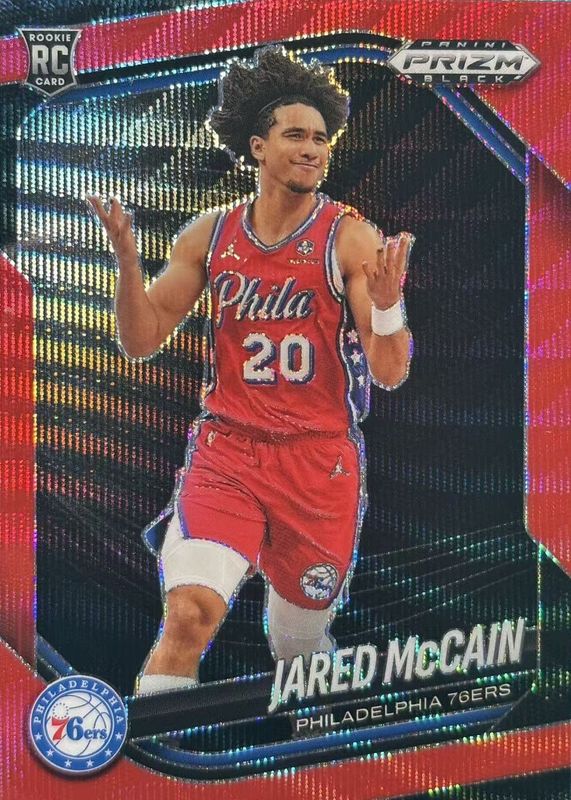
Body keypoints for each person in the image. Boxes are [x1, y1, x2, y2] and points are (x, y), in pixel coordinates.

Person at [88, 47, 414, 696]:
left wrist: (385, 309)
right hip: (228, 453)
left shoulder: (349, 238)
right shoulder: (210, 234)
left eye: (319, 138)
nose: (312, 149)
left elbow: (389, 372)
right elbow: (142, 339)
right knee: (188, 616)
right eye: (296, 135)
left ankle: (316, 728)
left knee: (296, 645)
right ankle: (152, 753)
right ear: (258, 147)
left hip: (317, 464)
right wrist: (126, 264)